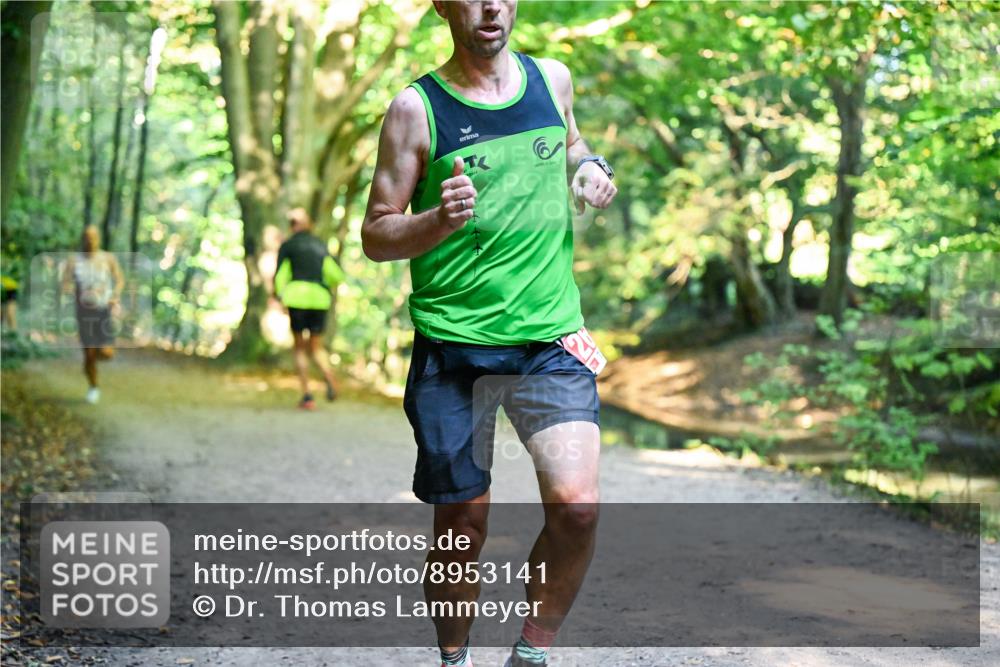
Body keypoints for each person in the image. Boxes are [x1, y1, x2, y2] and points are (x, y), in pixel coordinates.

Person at [361, 2, 617, 665]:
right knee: (462, 528)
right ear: (444, 5)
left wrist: (588, 169)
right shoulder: (416, 109)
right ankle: (454, 659)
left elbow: (573, 143)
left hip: (547, 339)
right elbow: (376, 231)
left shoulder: (551, 80)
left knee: (578, 507)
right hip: (453, 348)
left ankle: (530, 653)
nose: (491, 7)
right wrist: (435, 223)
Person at [274, 207, 343, 410]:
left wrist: (279, 297)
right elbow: (336, 275)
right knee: (316, 346)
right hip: (319, 299)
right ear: (309, 225)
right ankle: (330, 378)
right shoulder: (320, 246)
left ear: (292, 226)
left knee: (299, 347)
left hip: (296, 298)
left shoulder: (287, 246)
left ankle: (307, 395)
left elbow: (280, 276)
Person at [62, 226, 124, 404]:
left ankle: (90, 362)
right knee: (89, 354)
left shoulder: (108, 258)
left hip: (103, 310)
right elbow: (65, 284)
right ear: (83, 238)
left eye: (93, 237)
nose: (90, 240)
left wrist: (115, 295)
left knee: (106, 353)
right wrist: (74, 291)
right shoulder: (74, 260)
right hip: (83, 312)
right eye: (87, 237)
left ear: (98, 238)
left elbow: (119, 279)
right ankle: (93, 386)